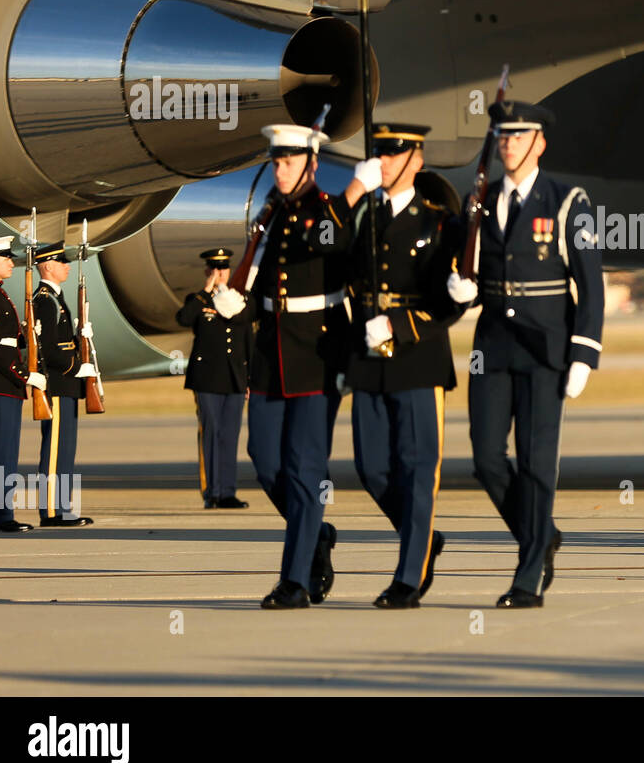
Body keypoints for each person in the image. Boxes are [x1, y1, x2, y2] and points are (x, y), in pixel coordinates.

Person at [448, 99, 604, 609]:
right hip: (492, 347)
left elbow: (590, 284)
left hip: (546, 348)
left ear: (539, 142)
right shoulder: (480, 200)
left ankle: (529, 570)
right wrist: (458, 290)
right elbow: (466, 270)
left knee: (538, 463)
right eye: (503, 137)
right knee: (486, 458)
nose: (509, 144)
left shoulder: (565, 200)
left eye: (519, 136)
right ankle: (541, 533)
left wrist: (584, 351)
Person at [327, 123, 463, 608]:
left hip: (417, 356)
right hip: (367, 356)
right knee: (371, 468)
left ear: (417, 160)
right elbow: (324, 247)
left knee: (417, 468)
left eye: (394, 153)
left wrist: (400, 326)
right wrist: (353, 190)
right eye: (379, 153)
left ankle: (409, 576)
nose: (383, 161)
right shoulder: (361, 215)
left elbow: (452, 301)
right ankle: (422, 536)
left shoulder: (440, 224)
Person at [243, 124, 348, 609]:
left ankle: (295, 580)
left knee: (305, 470)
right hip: (270, 354)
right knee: (266, 462)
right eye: (277, 162)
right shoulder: (269, 212)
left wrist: (353, 192)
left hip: (315, 352)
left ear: (311, 165)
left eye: (289, 162)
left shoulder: (326, 213)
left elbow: (324, 243)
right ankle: (317, 533)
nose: (280, 170)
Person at [175, 248, 252, 510]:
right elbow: (184, 318)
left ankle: (228, 492)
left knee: (230, 435)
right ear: (208, 271)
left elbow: (247, 339)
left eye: (224, 269)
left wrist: (250, 377)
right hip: (207, 378)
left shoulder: (239, 300)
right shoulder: (197, 299)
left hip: (234, 378)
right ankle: (212, 492)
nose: (220, 274)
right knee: (211, 433)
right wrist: (206, 291)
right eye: (215, 269)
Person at [0, 237, 42, 533]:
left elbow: (6, 339)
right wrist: (24, 374)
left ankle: (1, 513)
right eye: (5, 258)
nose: (11, 263)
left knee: (6, 453)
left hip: (7, 384)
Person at [30, 242, 96, 527]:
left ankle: (63, 506)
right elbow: (45, 347)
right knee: (55, 449)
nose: (67, 266)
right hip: (58, 382)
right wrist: (74, 366)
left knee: (66, 448)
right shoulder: (45, 300)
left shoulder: (56, 297)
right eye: (61, 262)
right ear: (47, 266)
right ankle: (51, 511)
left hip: (67, 383)